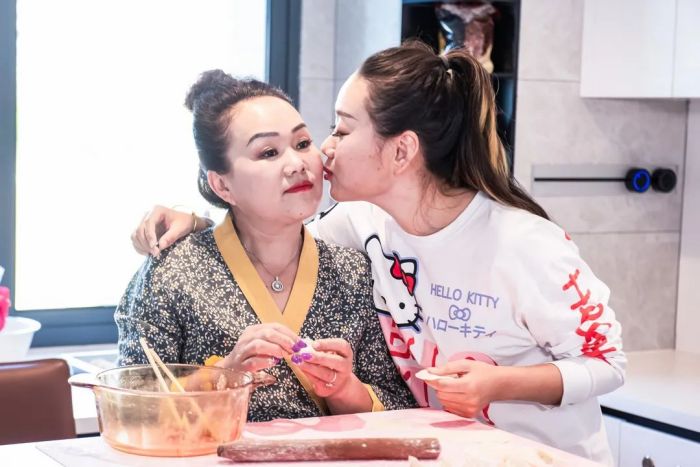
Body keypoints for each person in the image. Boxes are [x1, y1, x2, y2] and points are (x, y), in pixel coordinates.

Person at [131, 42, 625, 464]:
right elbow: (265, 230)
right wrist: (196, 225)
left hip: (543, 457)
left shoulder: (523, 243)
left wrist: (498, 385)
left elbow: (608, 363)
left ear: (401, 151)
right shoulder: (361, 224)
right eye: (271, 150)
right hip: (453, 453)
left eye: (338, 131)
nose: (321, 151)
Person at [116, 69, 417, 423]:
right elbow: (128, 410)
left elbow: (401, 406)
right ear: (222, 186)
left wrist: (343, 388)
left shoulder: (353, 272)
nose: (297, 164)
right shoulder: (172, 271)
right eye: (269, 152)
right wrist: (223, 375)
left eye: (302, 143)